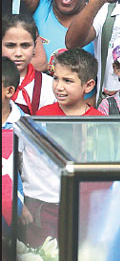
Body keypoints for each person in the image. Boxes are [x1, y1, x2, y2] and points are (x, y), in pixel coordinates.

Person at [22, 49, 101, 246]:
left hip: (81, 206)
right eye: (55, 78)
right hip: (42, 204)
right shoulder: (42, 114)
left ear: (88, 85)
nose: (58, 86)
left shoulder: (99, 122)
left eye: (68, 81)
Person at [1, 14, 55, 115]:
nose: (18, 53)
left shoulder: (48, 86)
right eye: (10, 45)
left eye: (25, 45)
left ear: (35, 47)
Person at [1, 57, 27, 231]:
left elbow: (27, 168)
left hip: (11, 209)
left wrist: (24, 205)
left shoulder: (24, 125)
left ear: (9, 91)